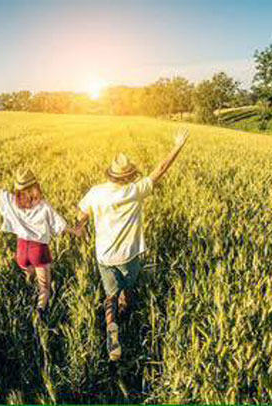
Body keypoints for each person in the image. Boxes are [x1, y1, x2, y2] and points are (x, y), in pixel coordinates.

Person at [75, 129, 190, 361]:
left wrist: (83, 230)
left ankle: (112, 331)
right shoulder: (135, 191)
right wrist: (178, 145)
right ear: (128, 176)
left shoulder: (96, 193)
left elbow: (80, 216)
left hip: (104, 256)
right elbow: (161, 169)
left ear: (110, 174)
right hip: (129, 255)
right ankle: (126, 310)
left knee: (110, 295)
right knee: (127, 288)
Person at [0, 161, 80, 321]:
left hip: (21, 250)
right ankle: (40, 311)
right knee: (45, 288)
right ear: (35, 185)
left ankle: (28, 284)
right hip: (38, 250)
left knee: (29, 272)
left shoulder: (11, 200)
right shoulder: (43, 206)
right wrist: (76, 231)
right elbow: (60, 225)